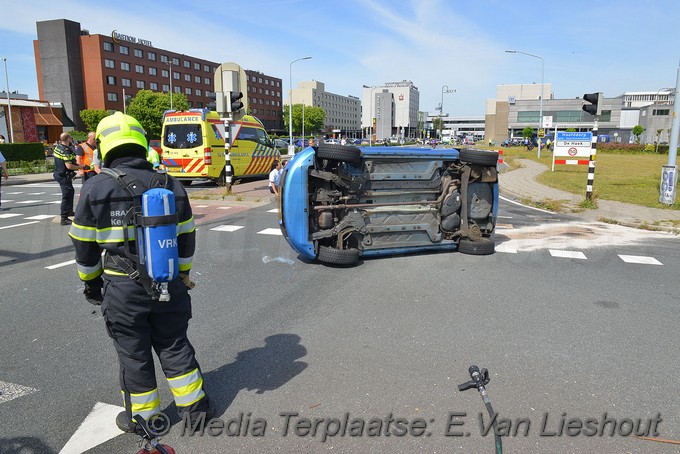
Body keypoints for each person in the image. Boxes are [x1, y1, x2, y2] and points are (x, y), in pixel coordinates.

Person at [68, 112, 211, 434]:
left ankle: (145, 419)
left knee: (133, 353)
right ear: (143, 144)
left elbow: (83, 244)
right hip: (169, 282)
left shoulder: (95, 188)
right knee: (174, 343)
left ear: (104, 148)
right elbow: (186, 237)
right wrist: (183, 275)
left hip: (121, 288)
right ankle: (196, 411)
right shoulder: (170, 184)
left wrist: (90, 284)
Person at [53, 132, 89, 225]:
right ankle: (64, 218)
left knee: (70, 191)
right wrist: (81, 167)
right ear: (68, 139)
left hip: (60, 173)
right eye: (71, 138)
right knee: (67, 194)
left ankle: (69, 211)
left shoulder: (58, 147)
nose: (72, 140)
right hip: (63, 175)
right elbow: (69, 166)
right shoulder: (65, 151)